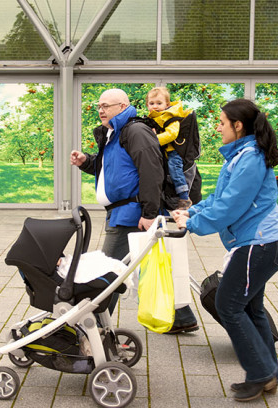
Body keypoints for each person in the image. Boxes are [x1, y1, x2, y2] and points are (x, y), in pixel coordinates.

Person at [173, 98, 278, 401]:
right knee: (251, 308)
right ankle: (269, 375)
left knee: (228, 304)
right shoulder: (239, 157)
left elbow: (230, 206)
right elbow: (218, 199)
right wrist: (192, 213)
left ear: (238, 126)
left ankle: (260, 373)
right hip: (260, 242)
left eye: (222, 123)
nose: (218, 128)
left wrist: (193, 225)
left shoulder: (249, 158)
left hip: (261, 243)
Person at [70, 88, 198, 334]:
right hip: (127, 212)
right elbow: (112, 169)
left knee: (108, 272)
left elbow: (152, 172)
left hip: (132, 215)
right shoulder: (114, 134)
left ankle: (94, 329)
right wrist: (86, 161)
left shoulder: (135, 131)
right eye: (99, 105)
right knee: (151, 265)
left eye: (107, 105)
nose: (101, 110)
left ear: (123, 106)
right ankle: (181, 317)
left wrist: (149, 213)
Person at [146, 87, 192, 209]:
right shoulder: (152, 119)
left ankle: (184, 197)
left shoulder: (171, 116)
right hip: (160, 153)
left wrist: (154, 140)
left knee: (175, 171)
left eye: (159, 103)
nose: (155, 106)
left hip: (172, 152)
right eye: (151, 103)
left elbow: (172, 134)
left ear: (167, 104)